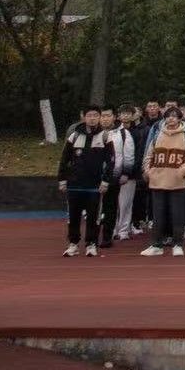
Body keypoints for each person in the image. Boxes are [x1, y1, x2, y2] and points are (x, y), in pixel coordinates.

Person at [141, 108, 185, 256]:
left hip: (178, 182)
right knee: (158, 215)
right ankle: (157, 245)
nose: (171, 119)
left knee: (177, 215)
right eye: (168, 116)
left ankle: (177, 244)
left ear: (180, 119)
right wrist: (148, 171)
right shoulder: (157, 135)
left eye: (174, 116)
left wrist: (183, 171)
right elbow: (149, 156)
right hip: (158, 180)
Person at [58, 109, 112, 257]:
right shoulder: (74, 136)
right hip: (74, 184)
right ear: (84, 117)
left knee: (93, 216)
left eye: (95, 116)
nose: (92, 118)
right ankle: (73, 244)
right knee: (73, 216)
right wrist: (62, 179)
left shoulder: (105, 137)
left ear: (99, 118)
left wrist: (105, 181)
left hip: (95, 186)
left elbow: (110, 161)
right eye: (89, 116)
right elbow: (64, 159)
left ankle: (91, 244)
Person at [101, 106, 137, 249]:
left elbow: (128, 155)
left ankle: (122, 230)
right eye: (103, 116)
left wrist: (125, 173)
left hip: (116, 175)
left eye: (108, 116)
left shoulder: (123, 133)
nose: (105, 119)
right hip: (98, 176)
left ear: (114, 117)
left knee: (121, 204)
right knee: (101, 207)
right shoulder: (96, 133)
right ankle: (106, 232)